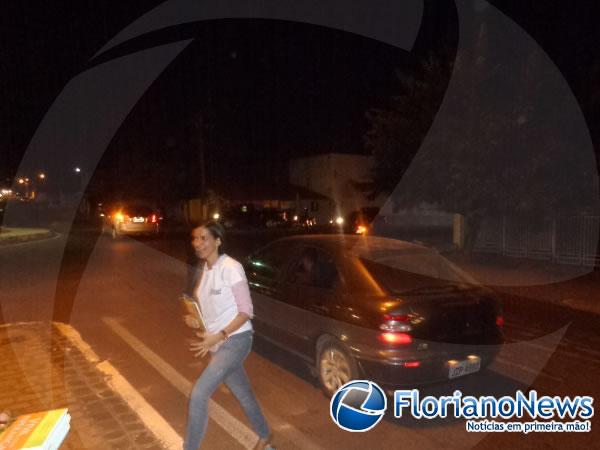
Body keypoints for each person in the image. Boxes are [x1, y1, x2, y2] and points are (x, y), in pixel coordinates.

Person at [184, 221, 272, 450]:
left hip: (236, 340)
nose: (198, 243)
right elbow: (213, 310)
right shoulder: (205, 269)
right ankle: (264, 435)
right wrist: (197, 319)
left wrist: (220, 334)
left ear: (218, 240)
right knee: (243, 394)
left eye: (204, 238)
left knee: (199, 393)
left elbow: (246, 311)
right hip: (218, 344)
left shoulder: (231, 267)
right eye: (195, 238)